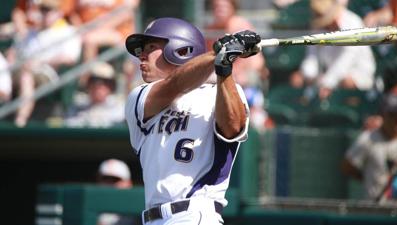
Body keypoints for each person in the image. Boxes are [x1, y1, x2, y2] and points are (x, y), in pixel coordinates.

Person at [124, 17, 259, 224]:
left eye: (150, 47)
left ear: (181, 49)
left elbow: (232, 128)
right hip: (153, 218)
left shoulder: (219, 92)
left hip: (195, 213)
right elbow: (174, 85)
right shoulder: (139, 97)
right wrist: (218, 54)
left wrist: (223, 66)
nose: (141, 55)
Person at [8, 0, 82, 127]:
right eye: (42, 10)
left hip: (47, 74)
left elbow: (70, 58)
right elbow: (14, 53)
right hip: (20, 71)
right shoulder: (30, 32)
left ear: (59, 13)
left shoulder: (67, 31)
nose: (45, 14)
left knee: (26, 76)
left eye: (49, 11)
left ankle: (20, 121)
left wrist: (41, 61)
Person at [205, 0, 272, 131]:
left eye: (224, 6)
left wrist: (234, 75)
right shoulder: (209, 30)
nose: (220, 10)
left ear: (233, 8)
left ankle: (264, 133)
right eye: (217, 6)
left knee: (255, 117)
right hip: (218, 82)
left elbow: (256, 64)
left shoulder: (238, 24)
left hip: (246, 83)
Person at [290, 0, 376, 99]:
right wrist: (306, 74)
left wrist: (328, 83)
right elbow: (311, 56)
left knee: (347, 82)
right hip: (327, 75)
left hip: (357, 75)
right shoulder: (319, 28)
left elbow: (346, 61)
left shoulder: (353, 23)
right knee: (299, 80)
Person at [342, 93, 397, 202]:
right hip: (375, 209)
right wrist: (368, 179)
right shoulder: (368, 138)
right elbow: (347, 166)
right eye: (393, 115)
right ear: (383, 115)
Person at [64, 62, 125, 128]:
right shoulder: (77, 107)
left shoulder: (119, 108)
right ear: (88, 84)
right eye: (94, 80)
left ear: (111, 86)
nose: (98, 85)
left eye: (105, 82)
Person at [96, 158, 136, 225]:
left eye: (115, 180)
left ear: (128, 183)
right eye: (105, 179)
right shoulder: (91, 209)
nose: (109, 184)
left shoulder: (138, 210)